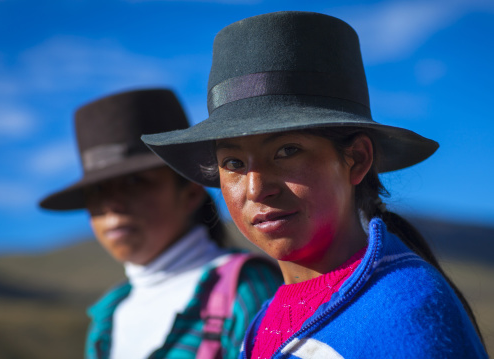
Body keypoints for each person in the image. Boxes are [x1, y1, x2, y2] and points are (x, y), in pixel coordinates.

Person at [141, 12, 488, 359]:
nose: (256, 188)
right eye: (234, 164)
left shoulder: (404, 312)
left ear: (357, 159)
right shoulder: (265, 321)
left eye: (287, 151)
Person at [39, 89, 282, 359]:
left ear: (190, 192)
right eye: (97, 190)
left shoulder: (245, 289)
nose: (111, 205)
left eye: (134, 182)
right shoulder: (107, 317)